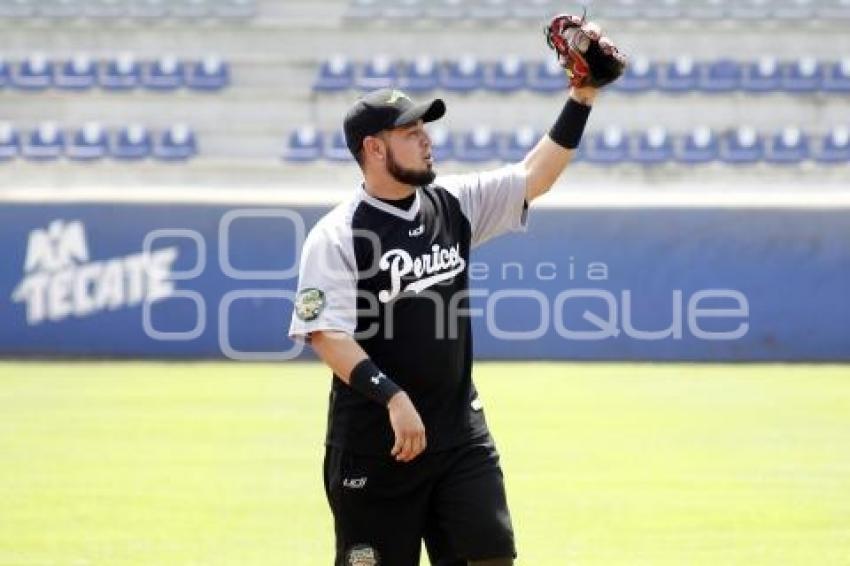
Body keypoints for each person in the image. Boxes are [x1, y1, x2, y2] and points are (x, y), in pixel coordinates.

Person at [289, 14, 625, 566]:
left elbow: (533, 176)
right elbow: (327, 335)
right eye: (411, 132)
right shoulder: (338, 233)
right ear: (373, 149)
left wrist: (582, 95)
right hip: (375, 445)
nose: (426, 139)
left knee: (490, 559)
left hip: (457, 434)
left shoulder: (453, 202)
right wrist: (393, 397)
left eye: (426, 128)